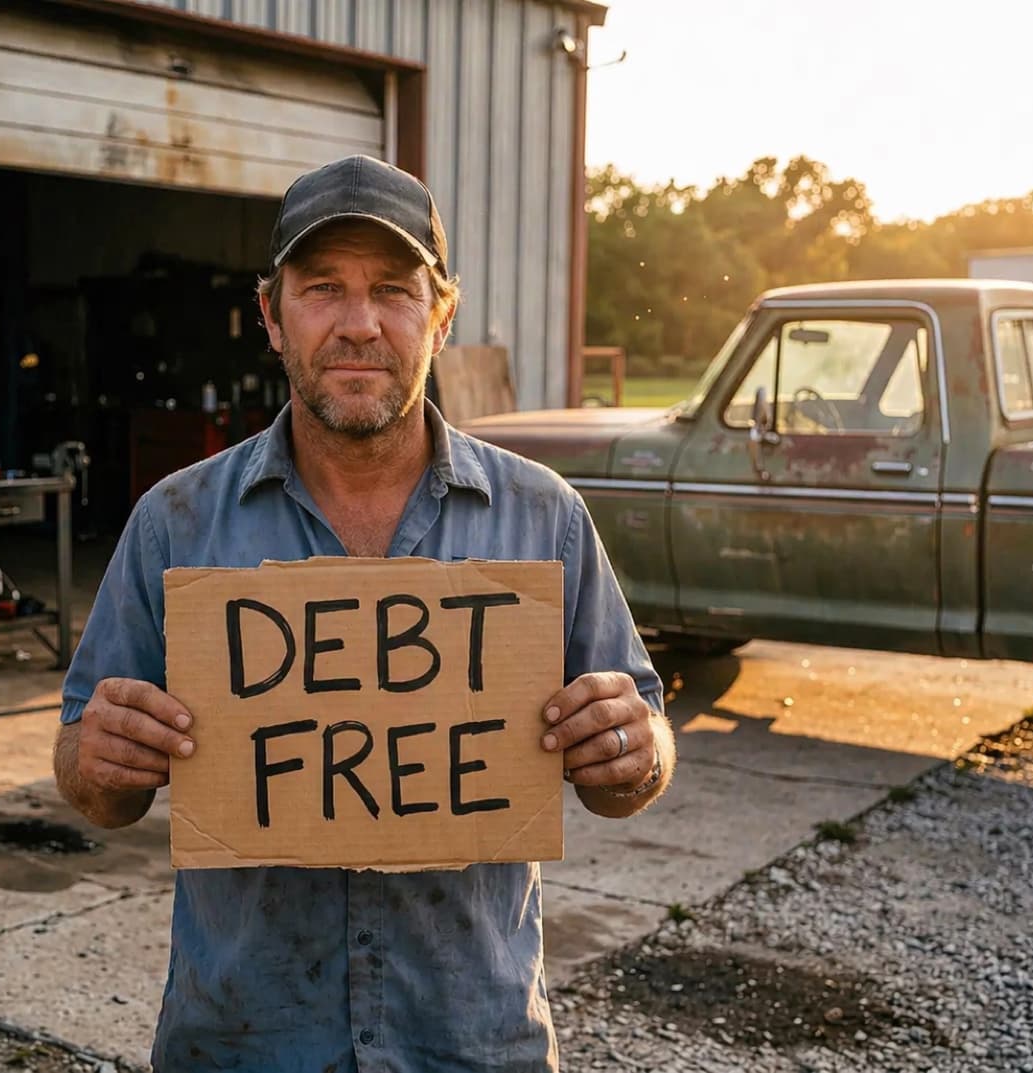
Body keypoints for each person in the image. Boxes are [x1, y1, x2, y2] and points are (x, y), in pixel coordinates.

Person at [53, 154, 674, 1071]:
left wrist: (633, 743)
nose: (358, 324)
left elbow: (641, 754)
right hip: (243, 1044)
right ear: (272, 315)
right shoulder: (175, 523)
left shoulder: (544, 517)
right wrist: (99, 757)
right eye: (322, 289)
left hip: (470, 1042)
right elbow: (89, 776)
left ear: (442, 314)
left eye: (393, 289)